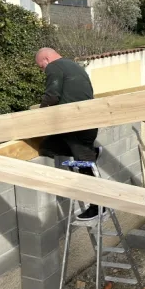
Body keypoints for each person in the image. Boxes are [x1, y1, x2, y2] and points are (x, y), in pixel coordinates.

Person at [35, 48, 105, 222]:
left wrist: (38, 115)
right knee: (47, 146)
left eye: (41, 66)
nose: (43, 70)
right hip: (85, 123)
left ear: (46, 58)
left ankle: (99, 206)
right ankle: (92, 153)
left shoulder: (54, 66)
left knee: (84, 165)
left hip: (76, 125)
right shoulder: (75, 66)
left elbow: (52, 95)